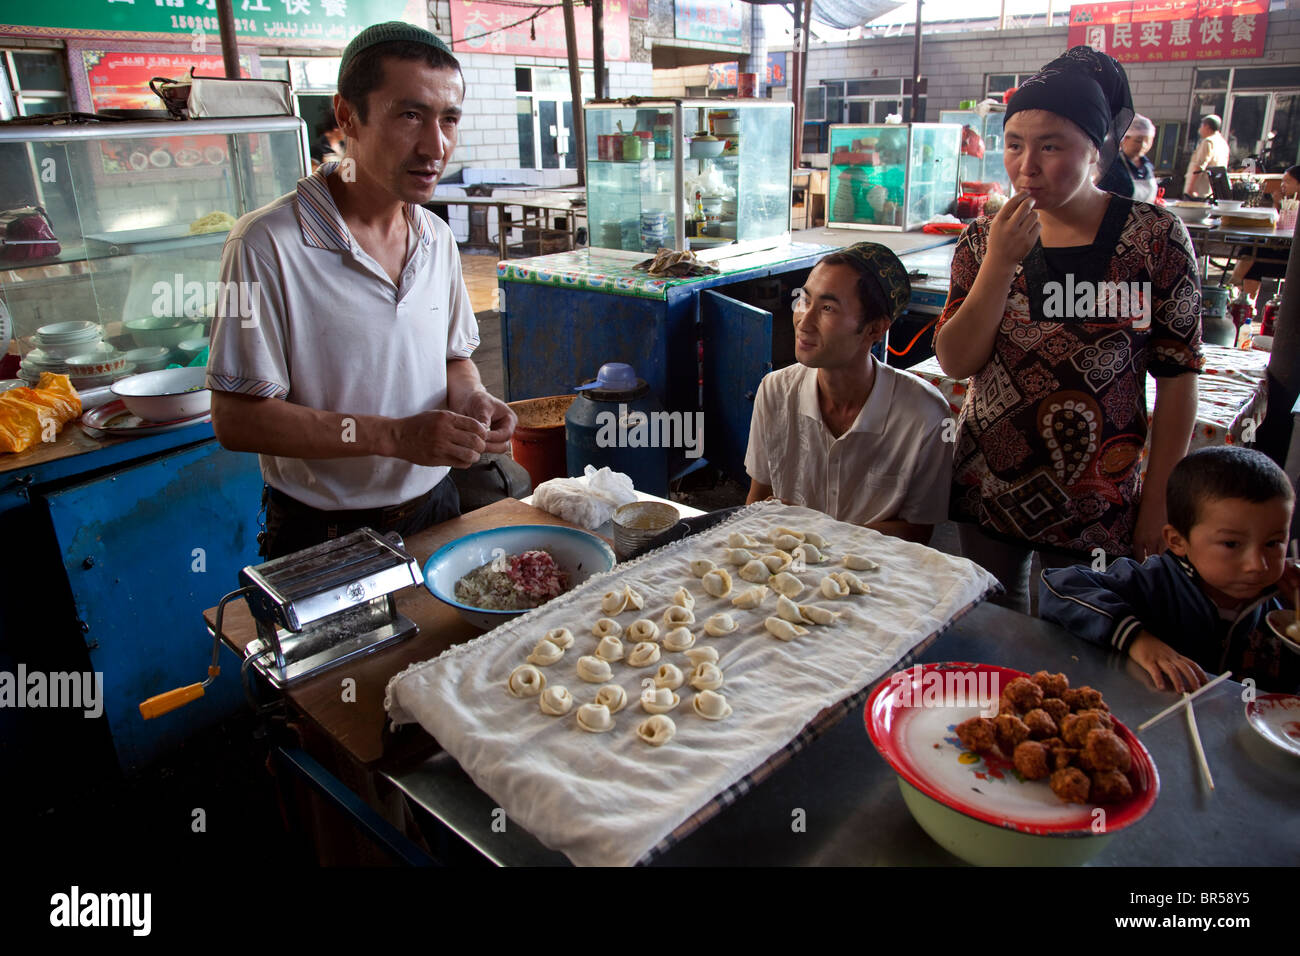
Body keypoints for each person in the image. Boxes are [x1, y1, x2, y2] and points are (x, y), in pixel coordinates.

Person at [207, 22, 515, 559]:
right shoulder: (266, 245)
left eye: (449, 119)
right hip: (324, 533)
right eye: (410, 115)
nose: (435, 146)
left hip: (436, 505)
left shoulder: (435, 236)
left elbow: (454, 358)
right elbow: (237, 419)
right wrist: (396, 437)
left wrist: (472, 399)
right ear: (348, 116)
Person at [934, 46, 1203, 614]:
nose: (1026, 165)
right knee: (988, 627)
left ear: (1096, 150)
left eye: (1050, 146)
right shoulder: (984, 240)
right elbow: (957, 362)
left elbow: (1178, 380)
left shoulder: (1155, 238)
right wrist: (1000, 265)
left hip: (1101, 497)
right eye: (1013, 145)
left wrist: (1159, 502)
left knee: (1081, 637)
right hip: (992, 482)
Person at [1040, 446, 1300, 693]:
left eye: (1273, 543)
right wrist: (1137, 639)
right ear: (1177, 541)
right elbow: (1058, 586)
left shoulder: (1281, 608)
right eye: (1231, 544)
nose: (1257, 564)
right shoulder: (1154, 583)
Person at [744, 242, 953, 543]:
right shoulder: (775, 391)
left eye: (827, 308)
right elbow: (757, 502)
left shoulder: (925, 415)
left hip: (875, 577)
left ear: (874, 330)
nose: (804, 320)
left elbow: (916, 534)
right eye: (804, 300)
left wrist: (817, 530)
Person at [1229, 164, 1299, 304]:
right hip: (1285, 249)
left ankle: (1235, 289)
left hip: (1293, 259)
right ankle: (1244, 302)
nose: (1283, 185)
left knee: (1253, 254)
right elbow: (1278, 225)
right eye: (1282, 181)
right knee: (1251, 247)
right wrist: (1277, 204)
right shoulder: (1289, 201)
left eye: (1288, 181)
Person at [1097, 113, 1157, 203]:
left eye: (1148, 141)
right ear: (1124, 139)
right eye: (1138, 141)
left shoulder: (1148, 166)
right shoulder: (1112, 167)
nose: (1143, 145)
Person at [1184, 114, 1230, 199]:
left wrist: (1190, 188)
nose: (1200, 129)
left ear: (1207, 126)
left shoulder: (1208, 142)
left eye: (1201, 126)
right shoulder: (1223, 143)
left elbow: (1199, 166)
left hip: (1198, 191)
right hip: (1211, 191)